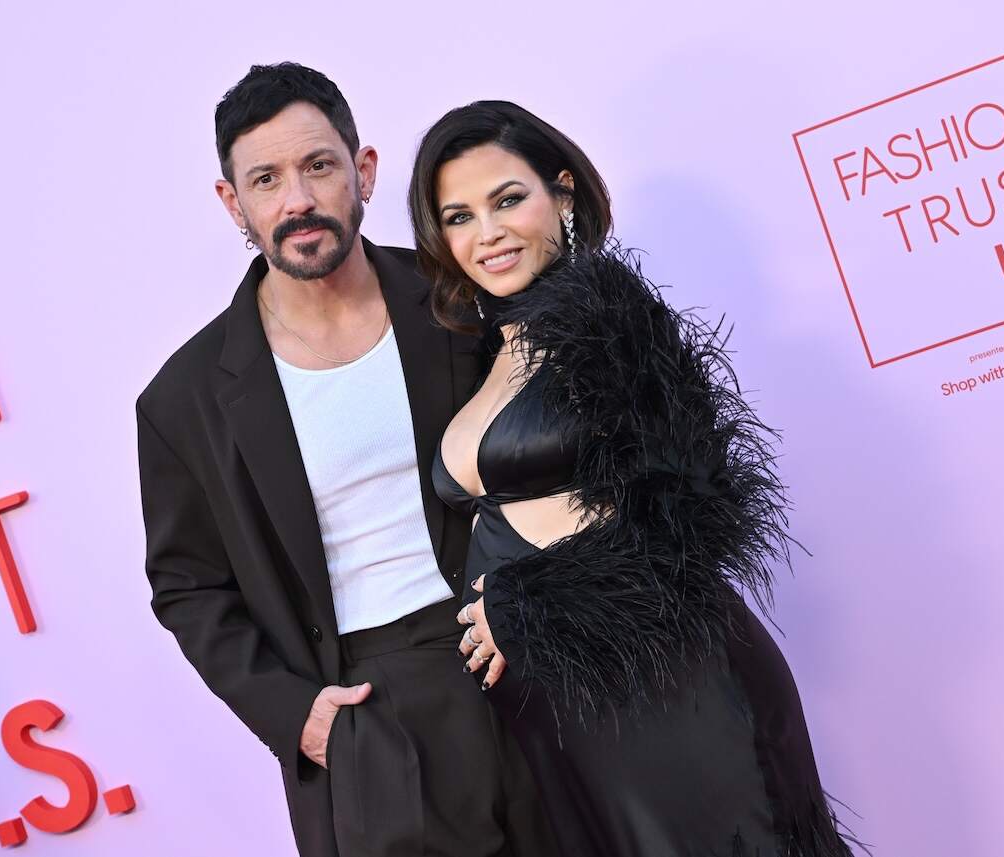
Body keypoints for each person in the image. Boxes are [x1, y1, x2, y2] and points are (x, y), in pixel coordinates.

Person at [408, 100, 862, 857]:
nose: (485, 232)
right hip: (574, 714)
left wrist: (526, 601)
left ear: (563, 193)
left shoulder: (614, 315)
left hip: (672, 691)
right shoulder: (495, 348)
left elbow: (694, 513)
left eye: (507, 199)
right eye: (458, 216)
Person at [136, 67, 557, 857]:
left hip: (526, 652)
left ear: (362, 171)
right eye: (266, 179)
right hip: (371, 706)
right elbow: (187, 584)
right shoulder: (182, 399)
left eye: (318, 166)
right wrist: (294, 714)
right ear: (235, 204)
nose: (296, 198)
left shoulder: (460, 299)